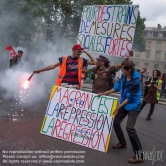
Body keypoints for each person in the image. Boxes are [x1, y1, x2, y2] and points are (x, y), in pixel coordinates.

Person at [98, 61, 143, 164]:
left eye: (124, 69)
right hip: (124, 103)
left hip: (133, 106)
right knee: (116, 122)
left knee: (130, 128)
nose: (122, 70)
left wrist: (118, 107)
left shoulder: (136, 81)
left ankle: (139, 156)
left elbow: (129, 98)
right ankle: (123, 143)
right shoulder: (124, 76)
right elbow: (116, 87)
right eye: (122, 68)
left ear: (129, 70)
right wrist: (104, 93)